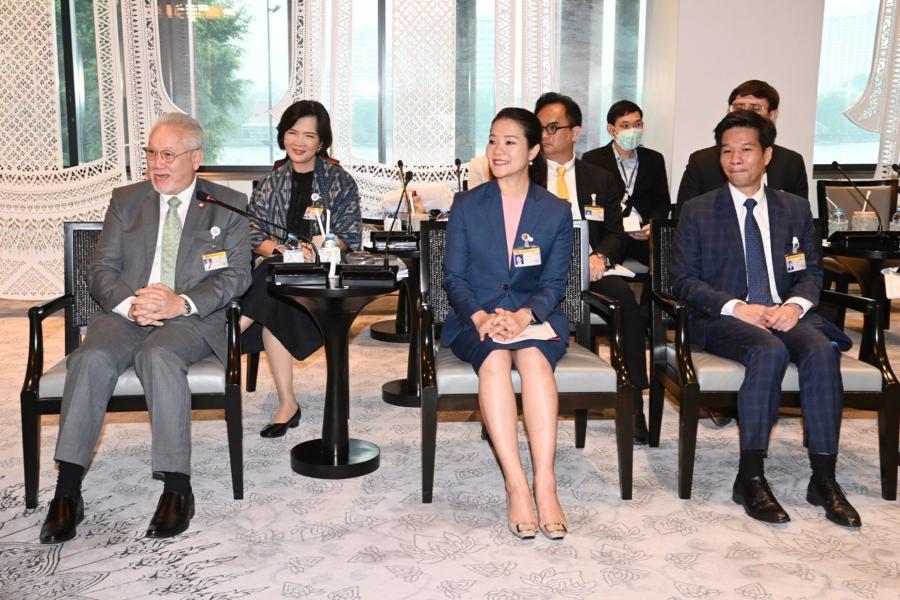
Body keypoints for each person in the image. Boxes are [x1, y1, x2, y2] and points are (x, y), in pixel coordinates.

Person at [39, 113, 252, 544]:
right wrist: (131, 304)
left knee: (159, 355)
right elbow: (101, 269)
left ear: (196, 158)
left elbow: (237, 275)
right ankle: (67, 491)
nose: (157, 163)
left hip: (191, 318)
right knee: (91, 358)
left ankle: (177, 487)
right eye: (152, 153)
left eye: (168, 154)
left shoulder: (227, 204)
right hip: (127, 312)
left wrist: (180, 302)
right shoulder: (127, 200)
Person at [671, 110, 861, 528]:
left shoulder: (794, 208)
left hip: (784, 311)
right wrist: (737, 307)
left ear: (767, 155)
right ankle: (750, 477)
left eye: (745, 149)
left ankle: (823, 479)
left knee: (822, 350)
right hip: (725, 318)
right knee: (768, 351)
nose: (735, 159)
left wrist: (794, 306)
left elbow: (812, 271)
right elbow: (682, 280)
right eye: (726, 151)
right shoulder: (698, 210)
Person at [443, 107, 572, 540]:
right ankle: (516, 485)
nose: (498, 150)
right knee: (496, 361)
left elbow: (554, 282)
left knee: (533, 359)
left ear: (533, 151)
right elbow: (454, 278)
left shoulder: (554, 210)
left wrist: (523, 316)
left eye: (510, 142)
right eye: (493, 140)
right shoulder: (466, 205)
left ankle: (545, 483)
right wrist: (482, 317)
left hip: (533, 316)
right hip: (476, 316)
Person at [239, 100, 362, 438]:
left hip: (321, 274)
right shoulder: (271, 182)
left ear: (321, 142)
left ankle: (230, 331)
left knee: (274, 275)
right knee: (276, 283)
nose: (299, 142)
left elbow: (350, 235)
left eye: (309, 135)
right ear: (283, 135)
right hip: (277, 281)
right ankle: (287, 404)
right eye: (293, 132)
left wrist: (318, 250)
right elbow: (251, 232)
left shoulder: (339, 181)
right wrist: (280, 250)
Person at [533, 92, 650, 444]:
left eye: (552, 127)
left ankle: (633, 404)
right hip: (537, 274)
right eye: (539, 128)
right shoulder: (526, 174)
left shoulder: (599, 178)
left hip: (589, 271)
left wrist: (599, 257)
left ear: (575, 132)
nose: (544, 135)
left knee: (625, 303)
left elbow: (616, 232)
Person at [676, 80, 808, 214]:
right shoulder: (701, 162)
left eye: (755, 108)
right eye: (739, 108)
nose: (746, 113)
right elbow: (683, 217)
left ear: (772, 115)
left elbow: (799, 216)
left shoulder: (791, 162)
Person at [582, 99, 671, 267]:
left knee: (666, 263)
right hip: (611, 234)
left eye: (637, 124)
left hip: (644, 234)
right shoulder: (593, 159)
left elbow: (662, 203)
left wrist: (651, 226)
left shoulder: (654, 159)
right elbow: (591, 204)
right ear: (611, 130)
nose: (633, 130)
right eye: (625, 126)